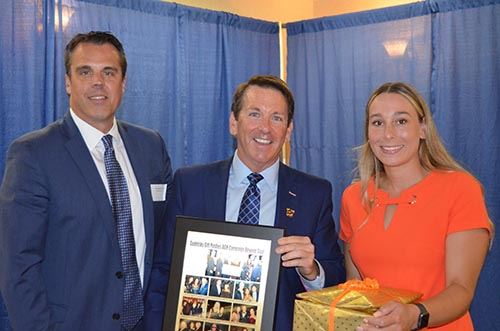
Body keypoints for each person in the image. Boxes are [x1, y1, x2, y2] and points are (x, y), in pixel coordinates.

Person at [0, 31, 173, 330]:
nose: (98, 82)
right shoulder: (33, 154)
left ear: (123, 82)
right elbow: (18, 268)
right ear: (68, 82)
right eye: (85, 72)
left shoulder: (151, 146)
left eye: (109, 72)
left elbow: (167, 237)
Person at [146, 75, 345, 331]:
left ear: (288, 130)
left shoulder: (314, 193)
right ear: (233, 123)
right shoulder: (191, 184)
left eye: (277, 118)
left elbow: (336, 275)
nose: (265, 128)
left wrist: (312, 271)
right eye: (254, 114)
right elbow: (164, 271)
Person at [339, 82, 492, 331]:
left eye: (401, 121)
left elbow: (461, 290)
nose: (388, 134)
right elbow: (355, 286)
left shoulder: (461, 189)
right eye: (377, 122)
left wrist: (414, 315)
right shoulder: (353, 197)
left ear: (422, 128)